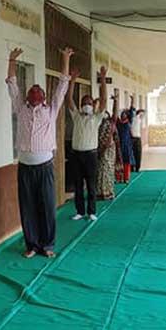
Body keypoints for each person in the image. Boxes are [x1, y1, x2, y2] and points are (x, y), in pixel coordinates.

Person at [7, 46, 73, 259]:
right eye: (32, 90)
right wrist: (12, 60)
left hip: (44, 166)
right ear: (28, 96)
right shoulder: (20, 108)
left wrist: (65, 58)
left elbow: (63, 84)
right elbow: (12, 84)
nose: (35, 91)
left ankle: (48, 244)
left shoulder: (51, 110)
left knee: (46, 205)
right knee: (28, 207)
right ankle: (32, 245)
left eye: (39, 90)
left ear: (43, 97)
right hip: (25, 167)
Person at [67, 65, 109, 221]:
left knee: (91, 185)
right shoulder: (76, 116)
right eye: (84, 102)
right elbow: (69, 99)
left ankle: (92, 212)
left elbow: (104, 100)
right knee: (78, 185)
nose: (87, 104)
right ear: (81, 105)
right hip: (76, 155)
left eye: (89, 103)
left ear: (93, 106)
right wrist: (72, 80)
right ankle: (80, 211)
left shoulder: (96, 118)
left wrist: (103, 79)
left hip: (91, 155)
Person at [96, 92, 120, 199]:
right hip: (98, 148)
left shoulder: (111, 122)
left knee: (108, 169)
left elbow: (115, 115)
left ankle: (108, 192)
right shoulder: (97, 121)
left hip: (109, 149)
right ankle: (100, 192)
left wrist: (115, 101)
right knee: (100, 170)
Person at [116, 103, 136, 183]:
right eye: (122, 114)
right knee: (119, 162)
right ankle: (119, 178)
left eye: (124, 114)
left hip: (127, 144)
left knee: (127, 162)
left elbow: (131, 113)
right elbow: (115, 115)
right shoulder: (119, 122)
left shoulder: (128, 122)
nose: (123, 115)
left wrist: (132, 102)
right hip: (119, 144)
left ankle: (126, 178)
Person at [129, 98, 145, 172]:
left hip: (137, 138)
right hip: (131, 138)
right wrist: (132, 100)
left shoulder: (139, 119)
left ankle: (137, 168)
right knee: (131, 154)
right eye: (141, 113)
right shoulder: (132, 118)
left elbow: (143, 113)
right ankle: (132, 167)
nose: (142, 115)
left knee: (138, 153)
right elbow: (132, 109)